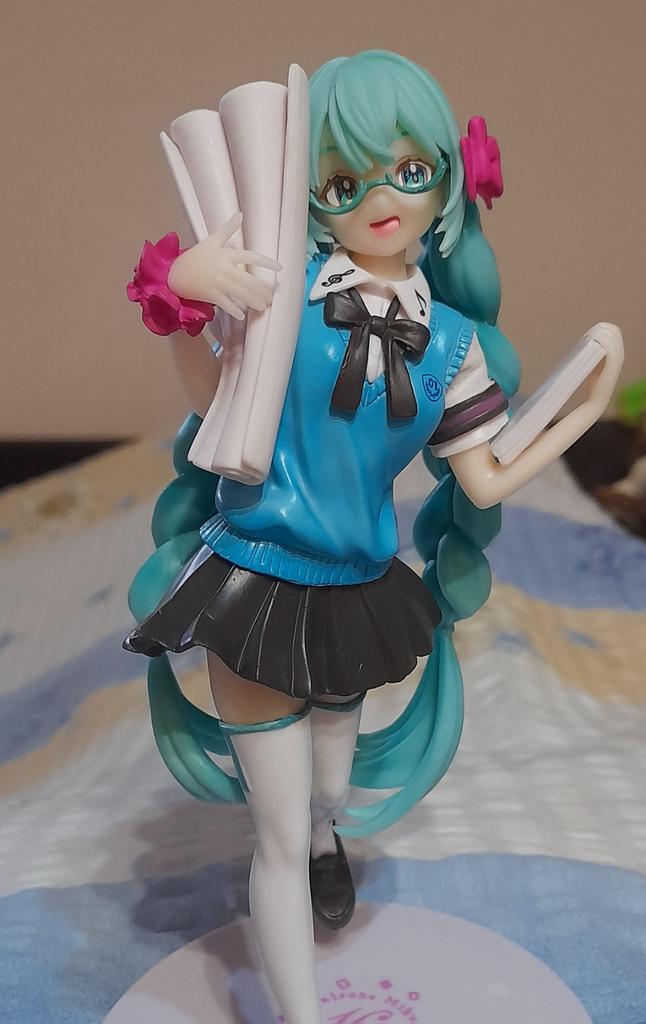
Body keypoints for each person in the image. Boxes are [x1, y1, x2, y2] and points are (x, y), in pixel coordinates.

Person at [123, 50, 623, 1024]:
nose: (381, 199)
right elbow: (212, 400)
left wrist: (579, 404)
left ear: (447, 178)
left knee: (330, 787)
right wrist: (188, 291)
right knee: (273, 832)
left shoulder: (453, 344)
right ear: (311, 195)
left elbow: (484, 475)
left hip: (358, 585)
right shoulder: (282, 285)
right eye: (345, 182)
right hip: (256, 576)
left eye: (410, 169)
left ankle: (327, 836)